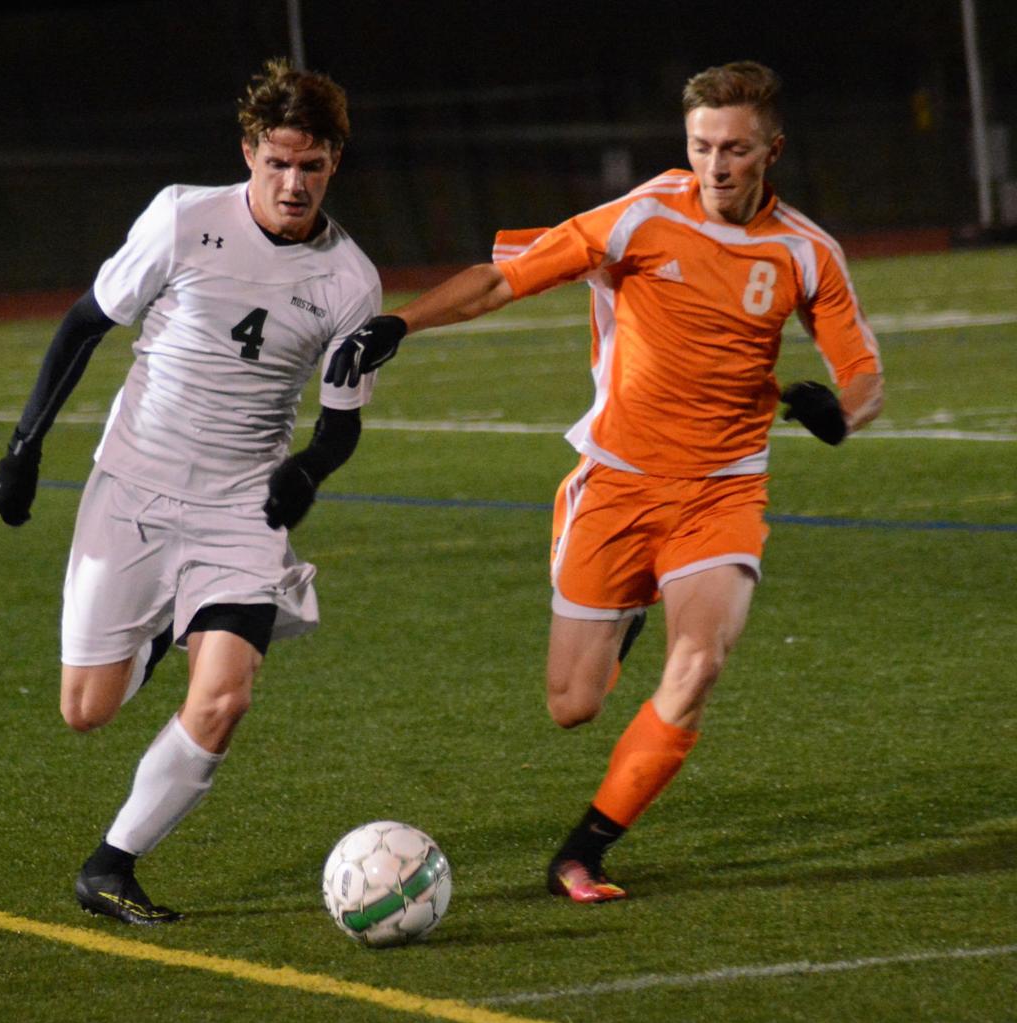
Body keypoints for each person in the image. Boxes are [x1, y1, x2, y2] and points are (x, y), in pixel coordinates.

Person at [325, 61, 883, 903]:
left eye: (734, 149)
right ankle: (614, 591)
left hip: (722, 491)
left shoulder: (806, 252)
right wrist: (398, 323)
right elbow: (498, 282)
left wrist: (841, 412)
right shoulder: (641, 217)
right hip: (619, 482)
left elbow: (865, 374)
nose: (716, 166)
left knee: (700, 662)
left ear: (773, 148)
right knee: (572, 705)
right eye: (701, 147)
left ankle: (582, 852)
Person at [0, 58, 381, 925]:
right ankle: (167, 626)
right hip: (134, 486)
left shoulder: (351, 282)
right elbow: (85, 324)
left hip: (241, 507)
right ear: (248, 152)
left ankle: (111, 864)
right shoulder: (181, 218)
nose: (293, 183)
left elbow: (341, 421)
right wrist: (25, 448)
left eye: (311, 166)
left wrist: (307, 470)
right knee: (87, 710)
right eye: (277, 162)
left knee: (227, 694)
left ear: (335, 163)